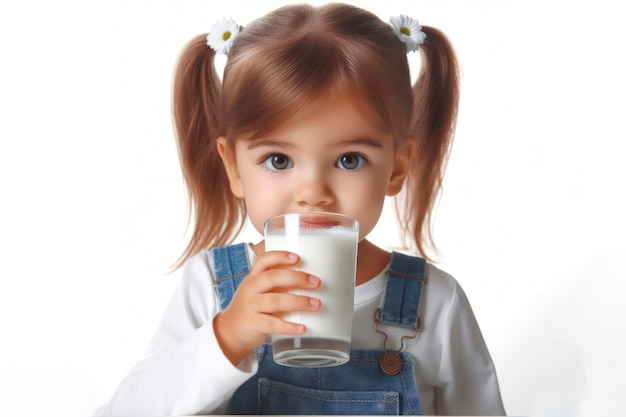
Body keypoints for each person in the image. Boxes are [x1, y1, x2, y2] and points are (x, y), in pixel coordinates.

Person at [94, 3, 506, 416]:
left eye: (349, 159)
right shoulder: (211, 287)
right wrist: (228, 335)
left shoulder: (435, 304)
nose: (313, 193)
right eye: (278, 160)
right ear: (233, 168)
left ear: (397, 167)